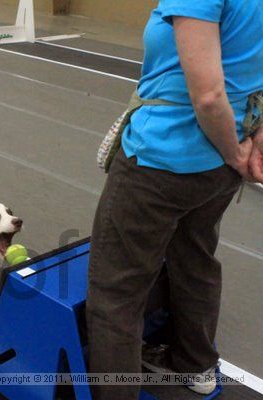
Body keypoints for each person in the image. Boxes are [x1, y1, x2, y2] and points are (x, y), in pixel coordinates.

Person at [86, 0, 263, 399]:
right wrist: (252, 137)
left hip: (164, 161)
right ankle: (196, 366)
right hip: (219, 169)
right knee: (195, 259)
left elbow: (208, 97)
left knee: (117, 294)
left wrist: (235, 151)